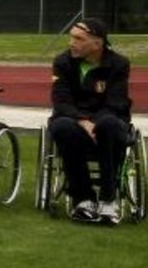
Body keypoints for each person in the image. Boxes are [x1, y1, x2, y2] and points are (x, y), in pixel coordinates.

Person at [50, 18, 133, 224]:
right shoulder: (62, 63)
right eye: (71, 37)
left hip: (109, 121)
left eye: (79, 39)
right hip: (74, 122)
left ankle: (108, 200)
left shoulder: (119, 64)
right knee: (61, 126)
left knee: (108, 125)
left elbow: (116, 102)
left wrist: (95, 123)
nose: (71, 43)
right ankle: (83, 200)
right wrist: (83, 121)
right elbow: (61, 101)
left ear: (97, 43)